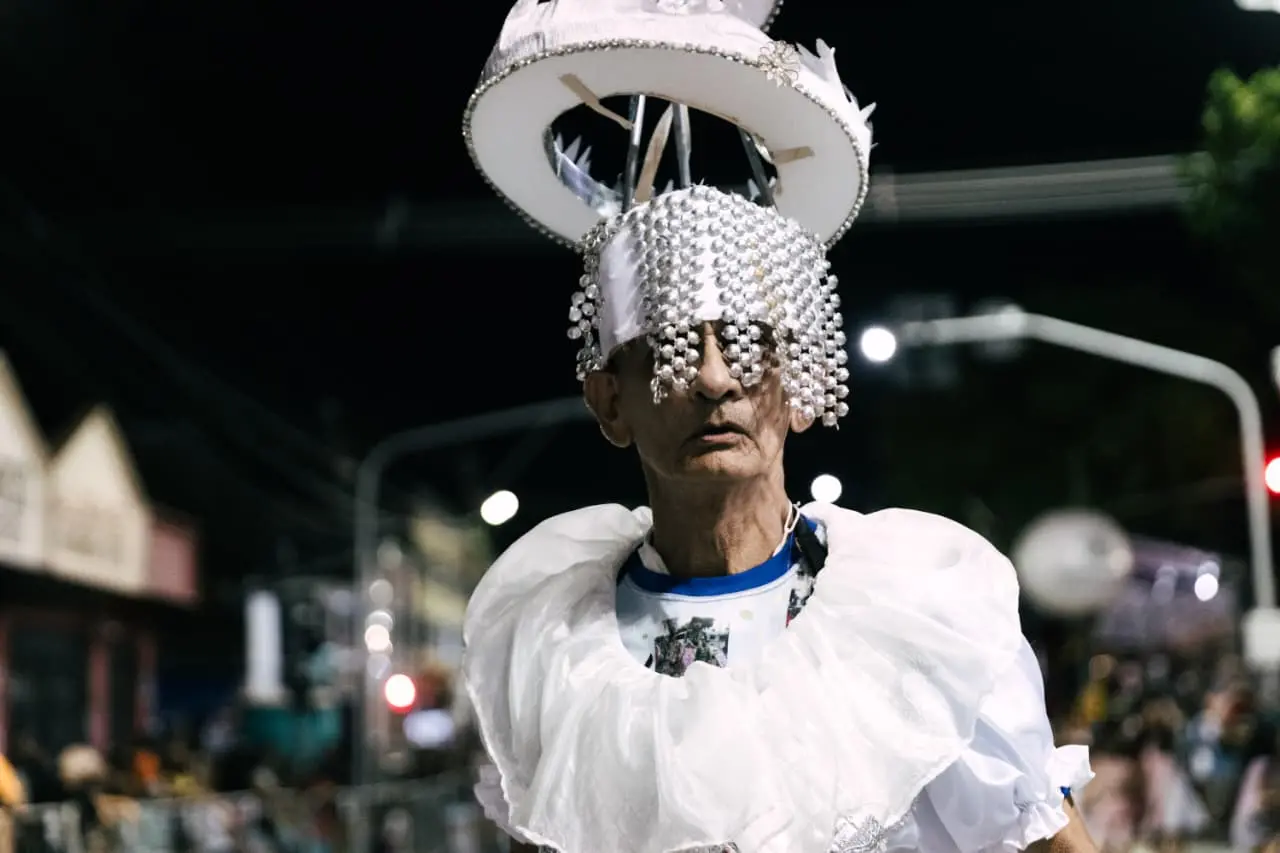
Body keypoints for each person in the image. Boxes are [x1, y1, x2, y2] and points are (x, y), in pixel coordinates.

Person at [460, 2, 1098, 852]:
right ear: (609, 399)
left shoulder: (919, 608)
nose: (718, 380)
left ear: (802, 386)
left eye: (753, 347)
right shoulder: (553, 648)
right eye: (673, 351)